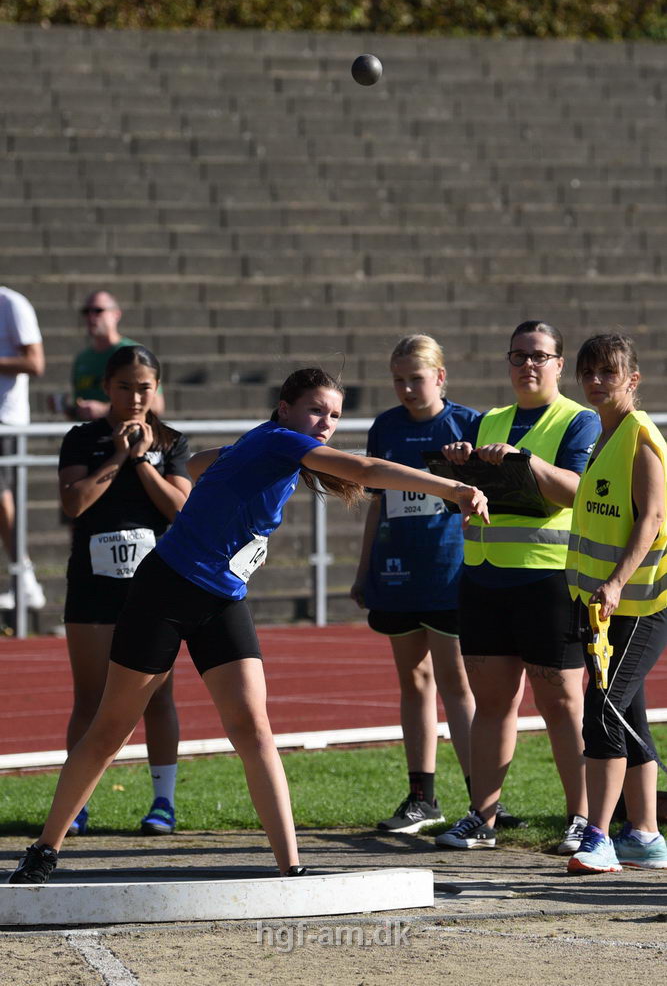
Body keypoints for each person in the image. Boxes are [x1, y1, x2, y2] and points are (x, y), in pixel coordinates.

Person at [8, 367, 489, 884]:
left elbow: (196, 463)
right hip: (165, 590)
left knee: (254, 727)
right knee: (111, 729)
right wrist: (456, 487)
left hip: (223, 599)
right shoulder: (279, 439)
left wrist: (232, 465)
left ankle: (291, 867)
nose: (325, 423)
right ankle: (43, 850)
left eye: (334, 415)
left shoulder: (270, 444)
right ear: (284, 409)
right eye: (315, 410)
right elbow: (366, 468)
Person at [436, 321, 601, 855]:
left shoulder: (578, 419)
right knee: (492, 704)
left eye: (539, 356)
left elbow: (576, 491)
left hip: (548, 579)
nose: (528, 365)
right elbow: (473, 495)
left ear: (558, 364)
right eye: (518, 356)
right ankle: (482, 816)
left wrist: (523, 459)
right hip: (484, 577)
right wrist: (458, 468)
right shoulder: (490, 419)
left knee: (562, 704)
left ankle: (583, 819)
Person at [351, 334, 516, 833]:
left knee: (456, 682)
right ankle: (422, 797)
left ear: (440, 377)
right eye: (398, 380)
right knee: (414, 680)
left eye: (416, 379)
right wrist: (363, 569)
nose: (406, 388)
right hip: (398, 572)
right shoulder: (385, 427)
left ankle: (482, 799)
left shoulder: (469, 424)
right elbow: (377, 503)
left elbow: (494, 498)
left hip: (452, 572)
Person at [59, 344, 191, 836]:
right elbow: (74, 503)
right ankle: (76, 807)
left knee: (157, 696)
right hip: (93, 587)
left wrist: (141, 462)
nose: (135, 397)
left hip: (155, 585)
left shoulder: (172, 441)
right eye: (124, 387)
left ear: (157, 389)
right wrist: (118, 453)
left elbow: (180, 508)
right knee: (90, 698)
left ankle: (163, 803)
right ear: (106, 387)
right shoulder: (82, 438)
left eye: (144, 388)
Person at [566, 333, 667, 874]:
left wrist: (616, 582)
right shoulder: (601, 437)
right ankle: (645, 837)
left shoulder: (640, 436)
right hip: (603, 607)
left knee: (602, 711)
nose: (596, 381)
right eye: (588, 372)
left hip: (640, 604)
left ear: (633, 379)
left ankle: (599, 836)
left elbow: (651, 519)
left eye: (608, 372)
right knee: (626, 714)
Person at [0, 285, 46, 611]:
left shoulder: (12, 303)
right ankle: (23, 578)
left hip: (6, 420)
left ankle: (24, 578)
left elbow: (35, 362)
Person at [68, 291, 164, 421]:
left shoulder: (133, 353)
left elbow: (156, 405)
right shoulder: (82, 358)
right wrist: (69, 409)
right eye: (86, 311)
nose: (91, 316)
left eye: (98, 311)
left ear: (116, 314)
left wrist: (104, 410)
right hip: (90, 432)